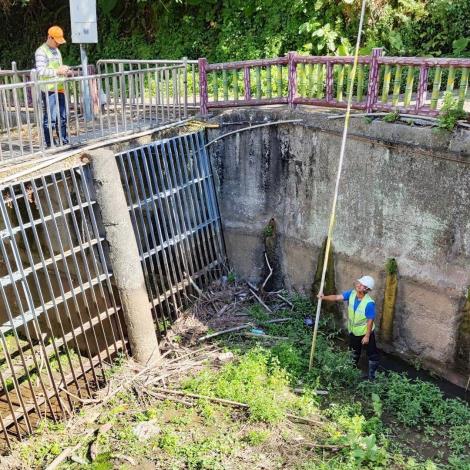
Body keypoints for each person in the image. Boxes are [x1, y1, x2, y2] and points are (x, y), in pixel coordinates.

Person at [318, 275, 380, 380]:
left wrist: (367, 336)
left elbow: (370, 321)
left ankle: (371, 378)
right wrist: (323, 297)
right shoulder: (351, 294)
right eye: (359, 283)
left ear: (366, 289)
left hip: (365, 332)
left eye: (362, 285)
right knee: (354, 351)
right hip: (354, 331)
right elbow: (337, 297)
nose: (358, 285)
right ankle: (352, 370)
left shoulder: (369, 303)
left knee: (372, 354)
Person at [35, 26, 70, 147]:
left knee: (63, 117)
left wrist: (64, 70)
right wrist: (57, 71)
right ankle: (50, 144)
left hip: (59, 88)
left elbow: (56, 67)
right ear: (49, 37)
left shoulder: (57, 50)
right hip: (49, 90)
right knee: (50, 119)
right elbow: (40, 71)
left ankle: (64, 141)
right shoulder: (41, 51)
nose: (58, 44)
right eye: (56, 41)